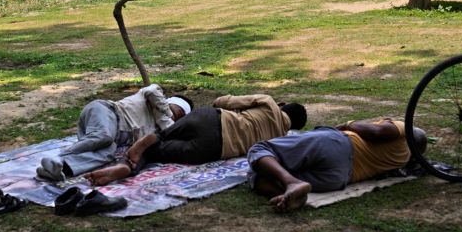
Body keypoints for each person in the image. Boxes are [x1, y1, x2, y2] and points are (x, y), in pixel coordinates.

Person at [84, 94, 307, 186]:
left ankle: (147, 141)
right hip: (213, 149)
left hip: (212, 120)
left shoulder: (268, 102)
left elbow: (222, 101)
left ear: (282, 105)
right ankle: (126, 168)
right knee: (154, 152)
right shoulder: (281, 139)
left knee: (158, 138)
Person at [246, 118, 427, 213]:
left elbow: (376, 132)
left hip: (339, 145)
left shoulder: (403, 131)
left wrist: (348, 124)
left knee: (260, 148)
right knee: (259, 175)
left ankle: (291, 183)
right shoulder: (402, 160)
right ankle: (288, 194)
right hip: (338, 178)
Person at [36, 84, 193, 181]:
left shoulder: (160, 130)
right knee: (104, 136)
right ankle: (58, 155)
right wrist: (165, 114)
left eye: (178, 117)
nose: (173, 117)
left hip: (106, 137)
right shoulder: (152, 97)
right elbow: (151, 89)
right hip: (105, 112)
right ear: (169, 103)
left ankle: (58, 167)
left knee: (107, 154)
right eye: (175, 111)